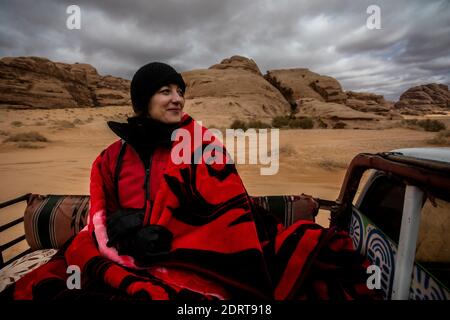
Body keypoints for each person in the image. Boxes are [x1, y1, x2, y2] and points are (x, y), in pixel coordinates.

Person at [2, 62, 380, 300]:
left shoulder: (202, 147)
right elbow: (100, 212)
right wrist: (120, 228)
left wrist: (171, 234)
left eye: (180, 92)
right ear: (143, 100)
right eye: (166, 91)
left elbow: (224, 211)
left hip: (192, 255)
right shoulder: (110, 158)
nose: (177, 99)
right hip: (124, 249)